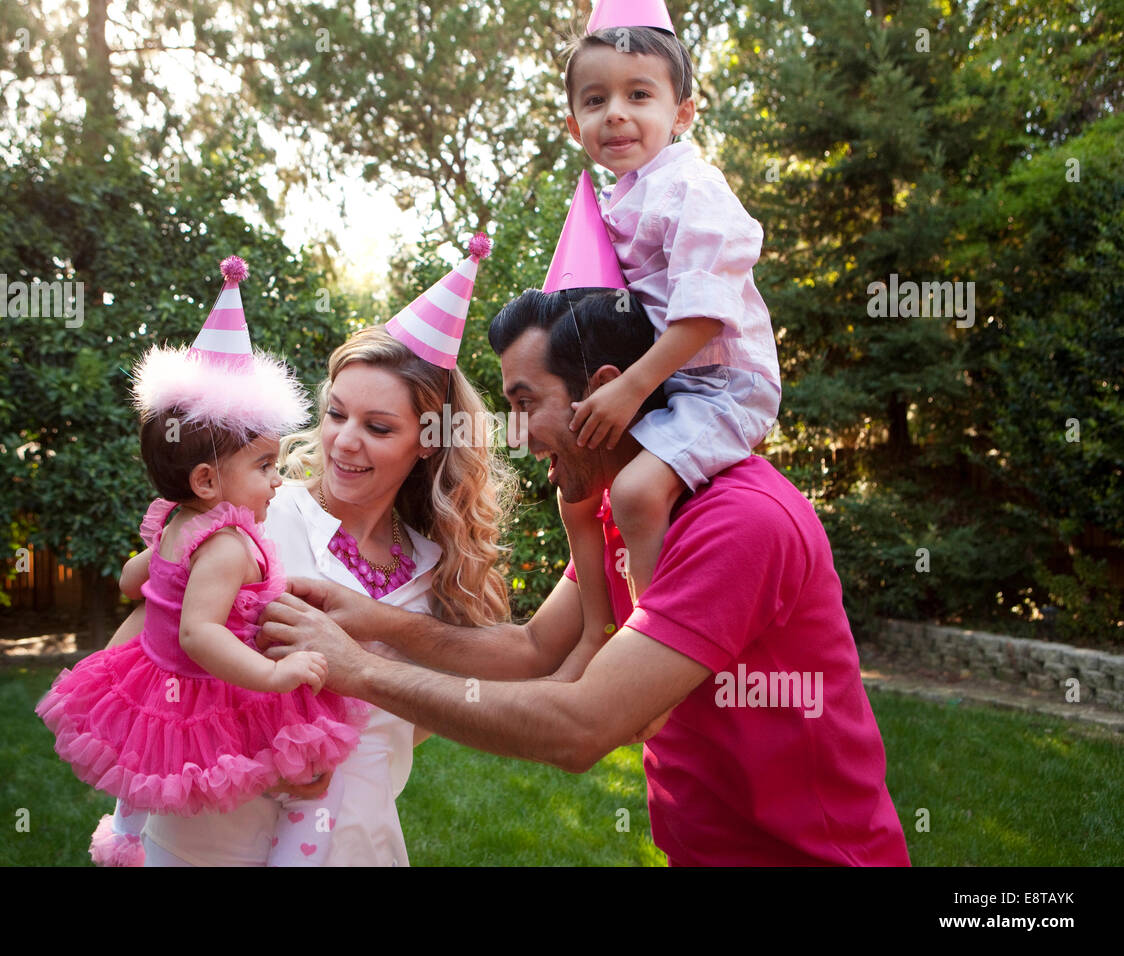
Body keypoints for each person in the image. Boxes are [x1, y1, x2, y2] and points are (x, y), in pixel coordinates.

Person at [262, 288, 912, 867]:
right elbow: (536, 650)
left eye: (526, 402)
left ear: (603, 388)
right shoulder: (619, 509)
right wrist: (373, 619)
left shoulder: (738, 522)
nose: (516, 432)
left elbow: (582, 726)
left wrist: (360, 669)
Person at [112, 240, 516, 866]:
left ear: (427, 444)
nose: (344, 442)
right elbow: (151, 650)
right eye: (335, 414)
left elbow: (432, 707)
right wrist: (264, 752)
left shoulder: (436, 571)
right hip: (214, 843)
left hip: (356, 844)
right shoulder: (256, 524)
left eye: (379, 428)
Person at [37, 256, 367, 867]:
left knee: (142, 760)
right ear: (210, 479)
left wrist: (154, 575)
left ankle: (126, 841)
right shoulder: (226, 545)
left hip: (149, 665)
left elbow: (134, 580)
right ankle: (294, 854)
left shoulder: (170, 518)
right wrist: (271, 675)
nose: (278, 478)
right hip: (204, 680)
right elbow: (198, 629)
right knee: (303, 763)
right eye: (265, 466)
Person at [558, 10, 783, 604]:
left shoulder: (691, 188)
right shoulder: (613, 199)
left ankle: (650, 631)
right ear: (573, 120)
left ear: (682, 112)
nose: (616, 113)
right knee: (575, 486)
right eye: (595, 99)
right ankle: (592, 627)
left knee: (632, 492)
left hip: (722, 383)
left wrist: (631, 388)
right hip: (667, 383)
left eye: (639, 94)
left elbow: (707, 314)